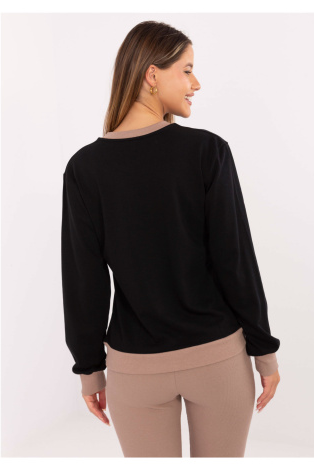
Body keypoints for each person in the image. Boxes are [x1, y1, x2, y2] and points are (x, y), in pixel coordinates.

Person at [61, 20, 281, 458]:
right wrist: (264, 351)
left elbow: (84, 281)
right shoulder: (206, 151)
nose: (196, 84)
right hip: (217, 360)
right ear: (152, 74)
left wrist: (90, 370)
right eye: (187, 70)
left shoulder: (85, 169)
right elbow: (235, 261)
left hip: (134, 371)